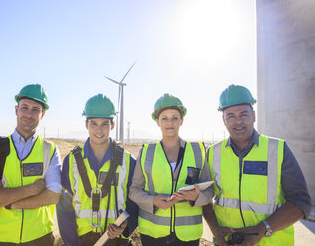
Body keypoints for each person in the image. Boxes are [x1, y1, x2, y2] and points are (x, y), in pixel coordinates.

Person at [203, 84, 312, 246]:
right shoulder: (213, 153)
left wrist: (263, 229)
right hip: (226, 242)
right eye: (231, 116)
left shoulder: (278, 149)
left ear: (254, 116)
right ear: (223, 120)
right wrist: (215, 230)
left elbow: (300, 202)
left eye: (244, 114)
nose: (238, 121)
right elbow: (205, 197)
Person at [0, 84, 62, 245]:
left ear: (43, 114)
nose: (29, 114)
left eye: (35, 109)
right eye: (25, 107)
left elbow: (54, 195)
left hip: (40, 237)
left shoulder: (50, 150)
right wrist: (32, 189)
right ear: (16, 109)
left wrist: (6, 199)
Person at [129, 93, 214, 246]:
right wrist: (153, 201)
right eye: (164, 118)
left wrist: (196, 197)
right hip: (152, 233)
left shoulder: (198, 151)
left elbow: (210, 191)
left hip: (188, 235)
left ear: (181, 121)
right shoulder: (146, 152)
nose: (170, 122)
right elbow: (134, 190)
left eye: (175, 117)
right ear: (157, 122)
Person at [56, 94, 138, 246]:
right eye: (93, 124)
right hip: (81, 240)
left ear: (112, 125)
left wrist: (126, 227)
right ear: (86, 124)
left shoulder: (128, 161)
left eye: (104, 124)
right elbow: (64, 207)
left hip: (117, 240)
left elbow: (134, 202)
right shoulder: (71, 160)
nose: (99, 130)